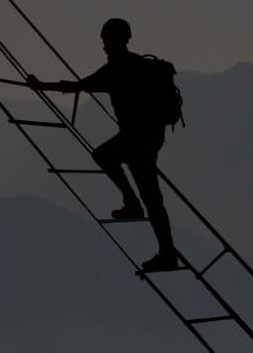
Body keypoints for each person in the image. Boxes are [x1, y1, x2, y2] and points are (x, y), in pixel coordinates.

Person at [28, 19, 179, 273]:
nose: (104, 47)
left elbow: (77, 86)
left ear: (116, 40)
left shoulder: (116, 69)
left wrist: (40, 85)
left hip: (135, 139)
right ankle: (159, 242)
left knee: (110, 161)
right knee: (150, 195)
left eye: (106, 41)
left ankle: (157, 240)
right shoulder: (140, 65)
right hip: (151, 137)